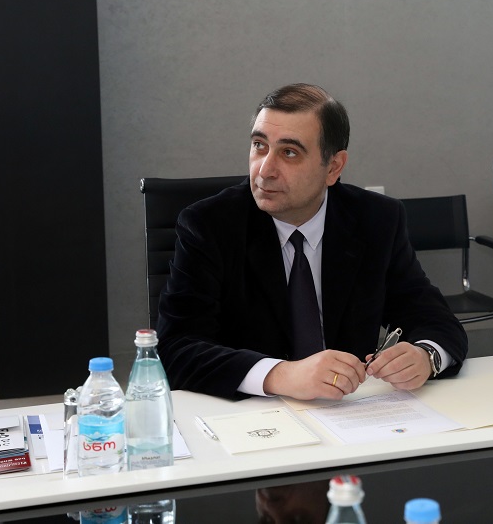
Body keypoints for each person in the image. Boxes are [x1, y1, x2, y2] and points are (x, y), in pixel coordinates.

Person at [157, 83, 467, 400]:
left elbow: (433, 319)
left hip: (349, 411)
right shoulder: (210, 225)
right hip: (246, 414)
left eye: (289, 152)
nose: (265, 170)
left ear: (333, 167)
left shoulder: (376, 220)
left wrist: (426, 356)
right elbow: (175, 348)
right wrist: (280, 374)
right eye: (259, 146)